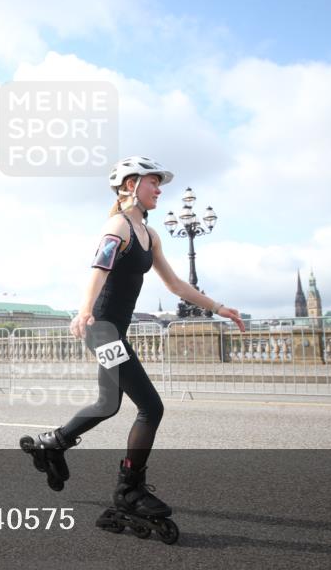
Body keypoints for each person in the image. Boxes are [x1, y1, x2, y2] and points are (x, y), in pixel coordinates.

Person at [21, 156, 246, 522]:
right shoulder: (119, 225)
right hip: (103, 329)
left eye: (160, 184)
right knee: (151, 407)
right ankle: (129, 490)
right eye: (152, 182)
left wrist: (219, 307)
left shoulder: (150, 234)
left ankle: (52, 443)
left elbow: (175, 284)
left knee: (107, 404)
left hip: (114, 330)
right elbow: (99, 268)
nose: (159, 190)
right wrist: (84, 311)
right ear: (130, 186)